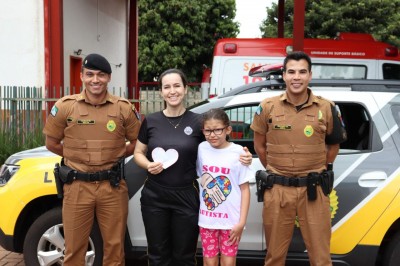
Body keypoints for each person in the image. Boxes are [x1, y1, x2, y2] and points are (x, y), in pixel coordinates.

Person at [133, 68, 252, 266]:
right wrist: (147, 164)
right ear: (161, 91)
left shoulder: (198, 122)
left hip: (186, 196)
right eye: (167, 87)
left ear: (186, 89)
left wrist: (243, 155)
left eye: (177, 86)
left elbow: (219, 145)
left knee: (184, 256)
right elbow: (138, 152)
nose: (172, 91)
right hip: (154, 196)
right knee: (157, 255)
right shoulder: (151, 121)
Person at [43, 53, 141, 266]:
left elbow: (137, 143)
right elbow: (51, 143)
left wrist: (113, 156)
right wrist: (77, 157)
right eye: (90, 74)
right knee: (74, 250)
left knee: (115, 250)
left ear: (109, 78)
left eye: (101, 75)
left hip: (112, 187)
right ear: (81, 77)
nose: (95, 80)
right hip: (77, 186)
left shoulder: (123, 108)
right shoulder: (66, 106)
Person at [250, 51, 347, 266]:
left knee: (321, 258)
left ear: (310, 75)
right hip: (277, 190)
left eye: (302, 72)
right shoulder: (267, 107)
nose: (297, 77)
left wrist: (317, 169)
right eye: (291, 72)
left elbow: (333, 146)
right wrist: (278, 171)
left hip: (313, 191)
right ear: (283, 75)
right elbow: (259, 146)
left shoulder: (326, 107)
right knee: (274, 257)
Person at [197, 108, 252, 266]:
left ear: (228, 129)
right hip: (207, 220)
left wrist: (241, 223)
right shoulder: (202, 148)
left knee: (229, 262)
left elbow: (245, 189)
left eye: (217, 130)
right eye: (208, 130)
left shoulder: (239, 153)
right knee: (209, 261)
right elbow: (201, 176)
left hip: (231, 222)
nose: (212, 135)